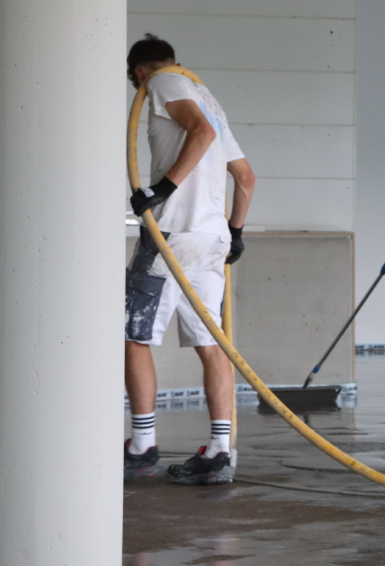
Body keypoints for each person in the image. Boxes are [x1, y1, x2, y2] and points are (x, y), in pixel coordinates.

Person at [123, 34, 256, 485]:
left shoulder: (160, 83)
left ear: (138, 73)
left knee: (134, 334)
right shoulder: (206, 95)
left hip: (173, 233)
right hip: (212, 239)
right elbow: (246, 177)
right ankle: (220, 450)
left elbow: (201, 134)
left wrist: (161, 190)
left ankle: (142, 445)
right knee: (211, 342)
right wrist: (236, 232)